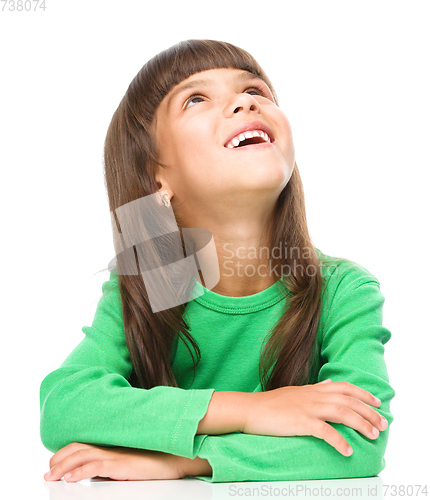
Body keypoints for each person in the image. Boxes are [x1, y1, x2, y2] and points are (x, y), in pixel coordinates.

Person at [40, 39, 395, 484]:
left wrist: (184, 460)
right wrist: (254, 411)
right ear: (156, 174)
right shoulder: (152, 283)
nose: (245, 102)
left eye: (257, 91)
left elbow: (359, 443)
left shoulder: (343, 289)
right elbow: (65, 406)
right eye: (196, 98)